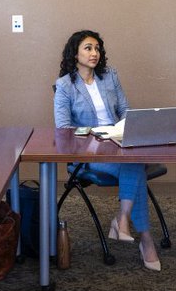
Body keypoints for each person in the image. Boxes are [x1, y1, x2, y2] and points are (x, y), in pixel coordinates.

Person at [53, 30, 160, 272]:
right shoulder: (65, 86)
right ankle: (145, 238)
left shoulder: (109, 76)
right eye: (88, 48)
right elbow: (63, 129)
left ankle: (123, 219)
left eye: (97, 48)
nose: (94, 53)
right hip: (87, 153)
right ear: (75, 53)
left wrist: (123, 130)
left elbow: (125, 111)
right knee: (136, 165)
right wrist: (95, 135)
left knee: (133, 160)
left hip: (118, 144)